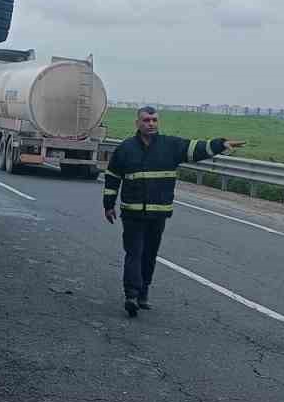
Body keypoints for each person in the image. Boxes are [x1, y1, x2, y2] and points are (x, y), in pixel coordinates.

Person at [103, 107, 244, 316]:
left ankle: (143, 293)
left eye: (154, 120)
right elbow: (112, 177)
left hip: (159, 214)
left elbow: (195, 148)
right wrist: (108, 204)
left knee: (149, 255)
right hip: (132, 214)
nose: (151, 123)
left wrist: (220, 144)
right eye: (146, 120)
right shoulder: (125, 149)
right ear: (137, 123)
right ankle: (131, 294)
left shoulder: (170, 146)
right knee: (134, 253)